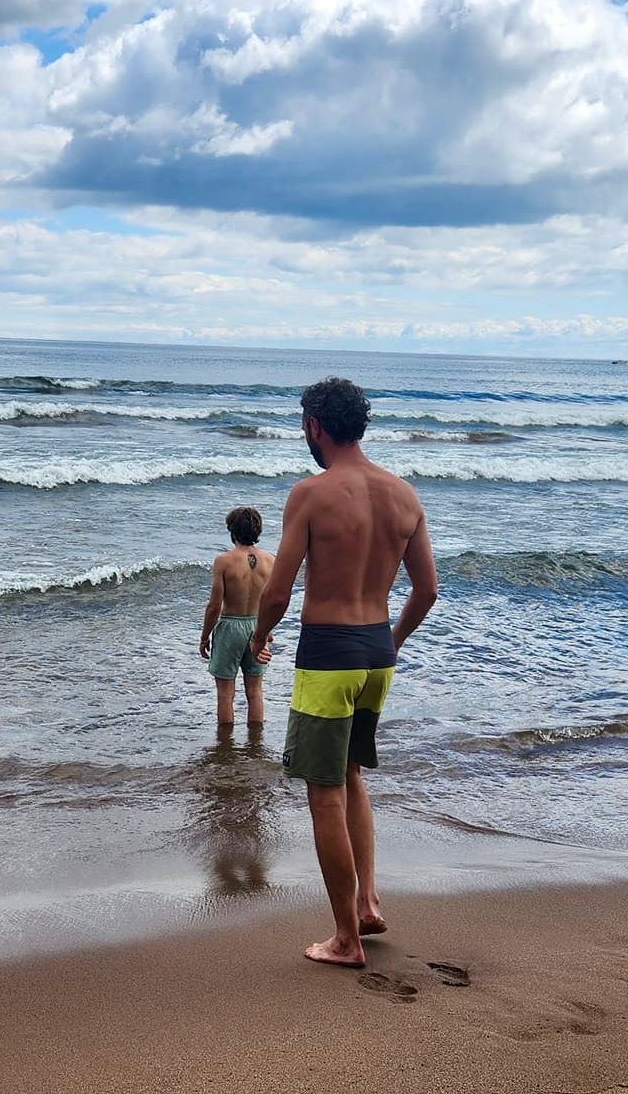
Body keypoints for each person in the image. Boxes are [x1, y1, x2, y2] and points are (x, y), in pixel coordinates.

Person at [253, 377, 438, 968]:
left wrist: (259, 638)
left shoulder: (311, 493)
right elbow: (427, 591)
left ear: (314, 426)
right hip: (376, 652)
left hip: (329, 652)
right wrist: (393, 640)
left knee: (324, 792)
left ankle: (346, 939)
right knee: (353, 774)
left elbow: (278, 591)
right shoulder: (404, 495)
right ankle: (366, 901)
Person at [200, 506, 275, 727]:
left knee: (225, 694)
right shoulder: (270, 560)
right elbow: (273, 600)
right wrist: (267, 630)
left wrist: (205, 637)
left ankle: (225, 747)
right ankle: (255, 743)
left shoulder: (224, 561)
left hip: (230, 627)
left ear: (232, 531)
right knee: (255, 691)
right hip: (257, 627)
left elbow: (214, 606)